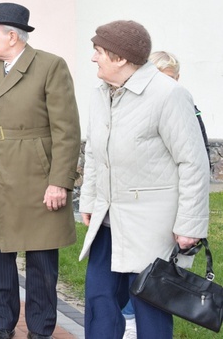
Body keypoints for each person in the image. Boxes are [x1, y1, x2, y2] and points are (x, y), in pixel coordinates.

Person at [78, 21, 210, 339]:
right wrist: (89, 200)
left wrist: (190, 225)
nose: (93, 58)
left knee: (150, 307)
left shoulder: (170, 95)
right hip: (108, 221)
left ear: (120, 58)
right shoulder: (100, 95)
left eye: (98, 51)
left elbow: (193, 163)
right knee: (99, 301)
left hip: (152, 225)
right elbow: (95, 154)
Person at [0, 2, 81, 339]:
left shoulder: (49, 66)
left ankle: (41, 330)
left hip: (38, 176)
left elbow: (67, 130)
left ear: (12, 37)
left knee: (41, 262)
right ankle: (1, 326)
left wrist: (59, 181)